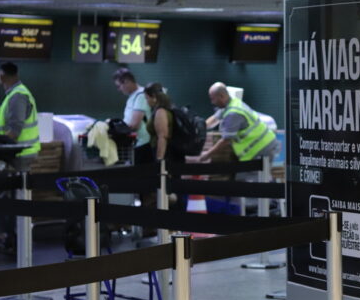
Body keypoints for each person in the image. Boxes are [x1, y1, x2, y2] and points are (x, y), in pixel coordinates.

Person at [0, 62, 40, 253]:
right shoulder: (15, 93)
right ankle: (13, 239)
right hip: (16, 154)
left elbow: (15, 130)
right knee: (12, 198)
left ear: (1, 75)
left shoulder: (18, 95)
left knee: (16, 200)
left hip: (20, 155)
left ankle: (17, 241)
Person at [197, 82, 280, 163]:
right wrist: (199, 129)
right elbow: (214, 119)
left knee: (251, 176)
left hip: (262, 148)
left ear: (221, 96)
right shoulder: (231, 103)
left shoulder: (233, 113)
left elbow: (226, 140)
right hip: (262, 146)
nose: (212, 102)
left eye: (213, 99)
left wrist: (207, 155)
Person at [144, 83, 187, 212]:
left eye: (147, 98)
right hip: (173, 157)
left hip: (167, 157)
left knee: (170, 192)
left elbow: (162, 137)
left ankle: (175, 228)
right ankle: (175, 228)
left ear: (154, 97)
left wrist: (159, 160)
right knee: (173, 191)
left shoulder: (161, 112)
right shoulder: (167, 110)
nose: (147, 101)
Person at [112, 68, 152, 164]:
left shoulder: (141, 96)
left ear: (126, 81)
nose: (119, 90)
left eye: (119, 86)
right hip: (137, 144)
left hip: (144, 144)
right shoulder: (133, 96)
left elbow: (134, 125)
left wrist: (116, 130)